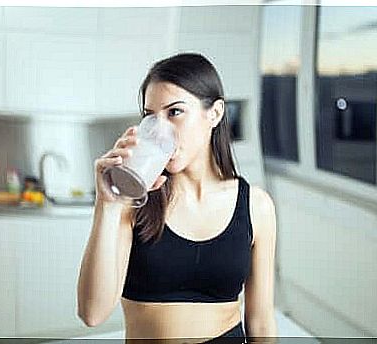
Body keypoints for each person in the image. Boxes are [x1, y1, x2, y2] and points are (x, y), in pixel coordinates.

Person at [77, 53, 278, 343]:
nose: (161, 130)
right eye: (150, 116)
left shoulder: (256, 206)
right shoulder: (133, 204)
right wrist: (106, 204)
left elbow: (260, 321)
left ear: (215, 113)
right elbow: (91, 313)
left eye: (174, 112)